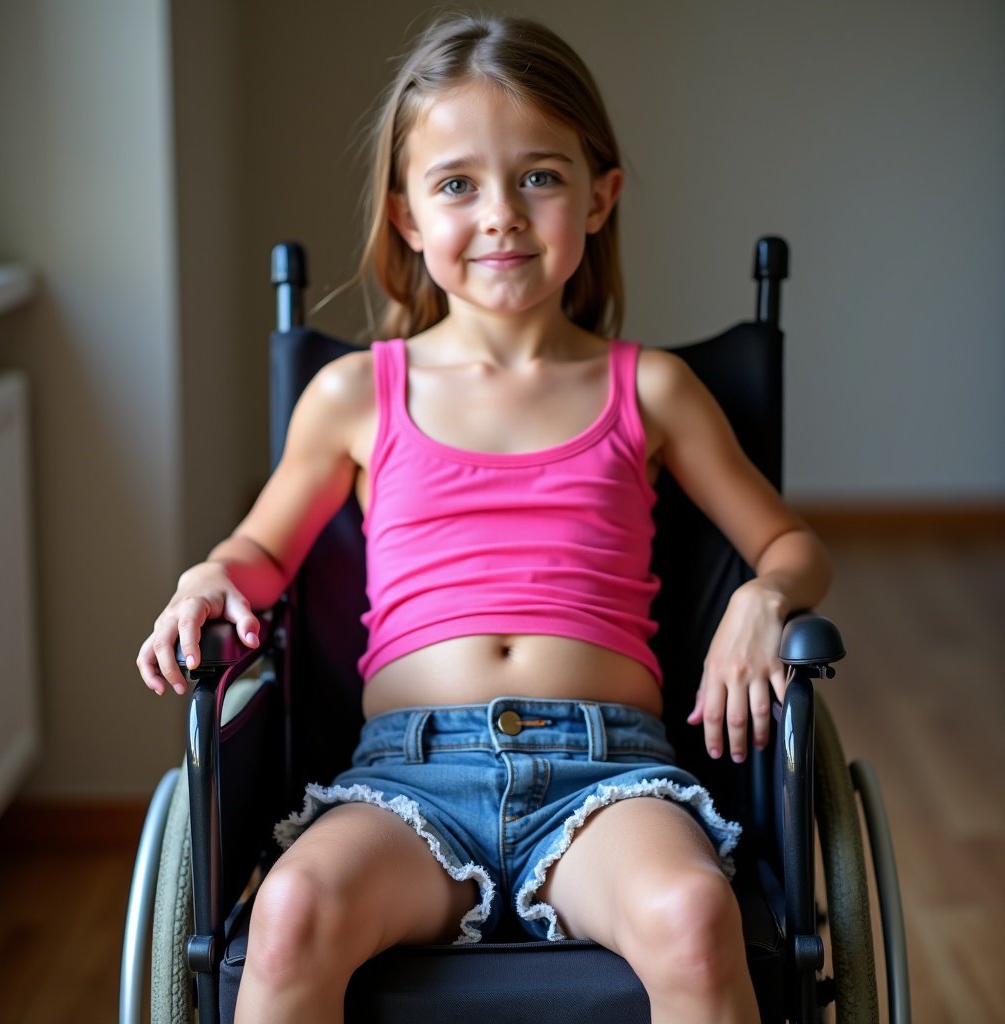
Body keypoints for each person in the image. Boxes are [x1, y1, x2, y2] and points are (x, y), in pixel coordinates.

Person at [138, 13, 830, 1024]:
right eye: (457, 183)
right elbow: (259, 550)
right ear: (407, 216)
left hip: (607, 771)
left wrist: (765, 596)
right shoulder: (353, 396)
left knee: (690, 911)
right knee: (287, 911)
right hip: (408, 778)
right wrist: (211, 575)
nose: (500, 213)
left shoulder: (653, 390)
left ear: (600, 197)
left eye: (539, 177)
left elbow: (791, 544)